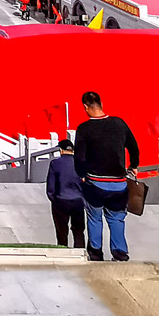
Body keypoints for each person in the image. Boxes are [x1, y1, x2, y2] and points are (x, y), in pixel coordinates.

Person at [73, 89, 139, 262]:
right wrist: (133, 166)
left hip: (95, 182)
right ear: (101, 104)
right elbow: (133, 147)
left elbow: (79, 156)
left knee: (94, 218)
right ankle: (119, 252)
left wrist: (81, 174)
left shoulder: (84, 129)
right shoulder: (119, 123)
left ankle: (95, 252)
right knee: (117, 218)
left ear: (85, 107)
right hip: (119, 183)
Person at [44, 137, 86, 250]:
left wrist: (53, 198)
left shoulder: (55, 163)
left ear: (61, 150)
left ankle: (63, 251)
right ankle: (80, 251)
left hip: (60, 200)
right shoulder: (81, 164)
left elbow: (51, 186)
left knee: (61, 231)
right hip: (78, 201)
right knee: (78, 231)